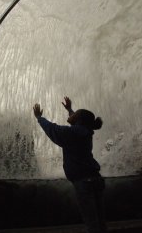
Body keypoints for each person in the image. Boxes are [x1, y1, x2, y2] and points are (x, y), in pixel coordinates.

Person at [33, 97, 106, 233]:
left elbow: (52, 129)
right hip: (95, 180)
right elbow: (79, 123)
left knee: (92, 225)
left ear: (79, 120)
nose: (73, 115)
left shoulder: (71, 133)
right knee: (100, 222)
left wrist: (39, 118)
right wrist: (69, 109)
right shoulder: (84, 131)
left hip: (85, 183)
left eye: (75, 114)